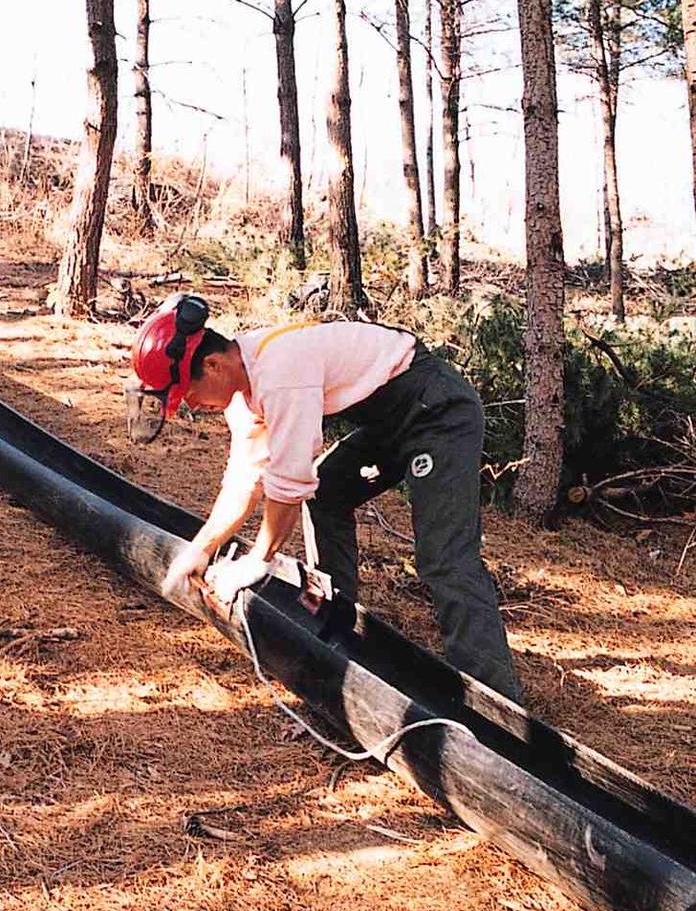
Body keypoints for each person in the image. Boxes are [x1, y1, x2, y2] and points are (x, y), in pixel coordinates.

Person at [126, 293, 522, 702]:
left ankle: (495, 701)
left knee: (445, 558)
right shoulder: (243, 389)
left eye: (189, 393)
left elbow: (288, 482)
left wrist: (258, 561)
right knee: (328, 493)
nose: (192, 405)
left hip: (437, 410)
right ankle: (336, 626)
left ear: (212, 364)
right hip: (390, 419)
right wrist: (202, 548)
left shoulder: (280, 371)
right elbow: (245, 479)